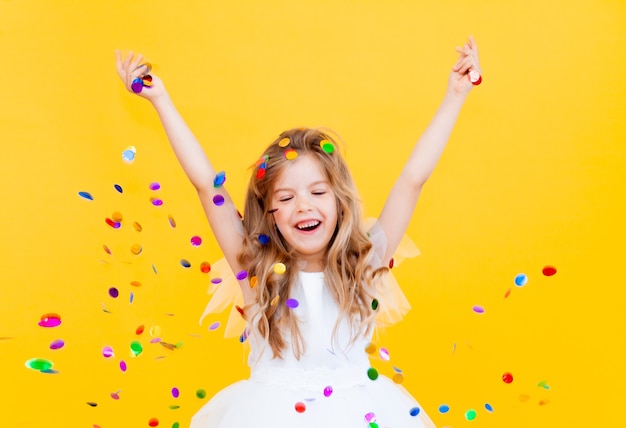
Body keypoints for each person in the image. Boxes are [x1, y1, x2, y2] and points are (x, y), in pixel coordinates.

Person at [115, 36, 482, 428]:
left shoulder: (364, 260)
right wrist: (161, 100)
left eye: (318, 192)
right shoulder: (253, 268)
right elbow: (207, 185)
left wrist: (454, 95)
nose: (304, 206)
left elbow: (412, 180)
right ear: (271, 214)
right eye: (286, 197)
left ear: (340, 201)